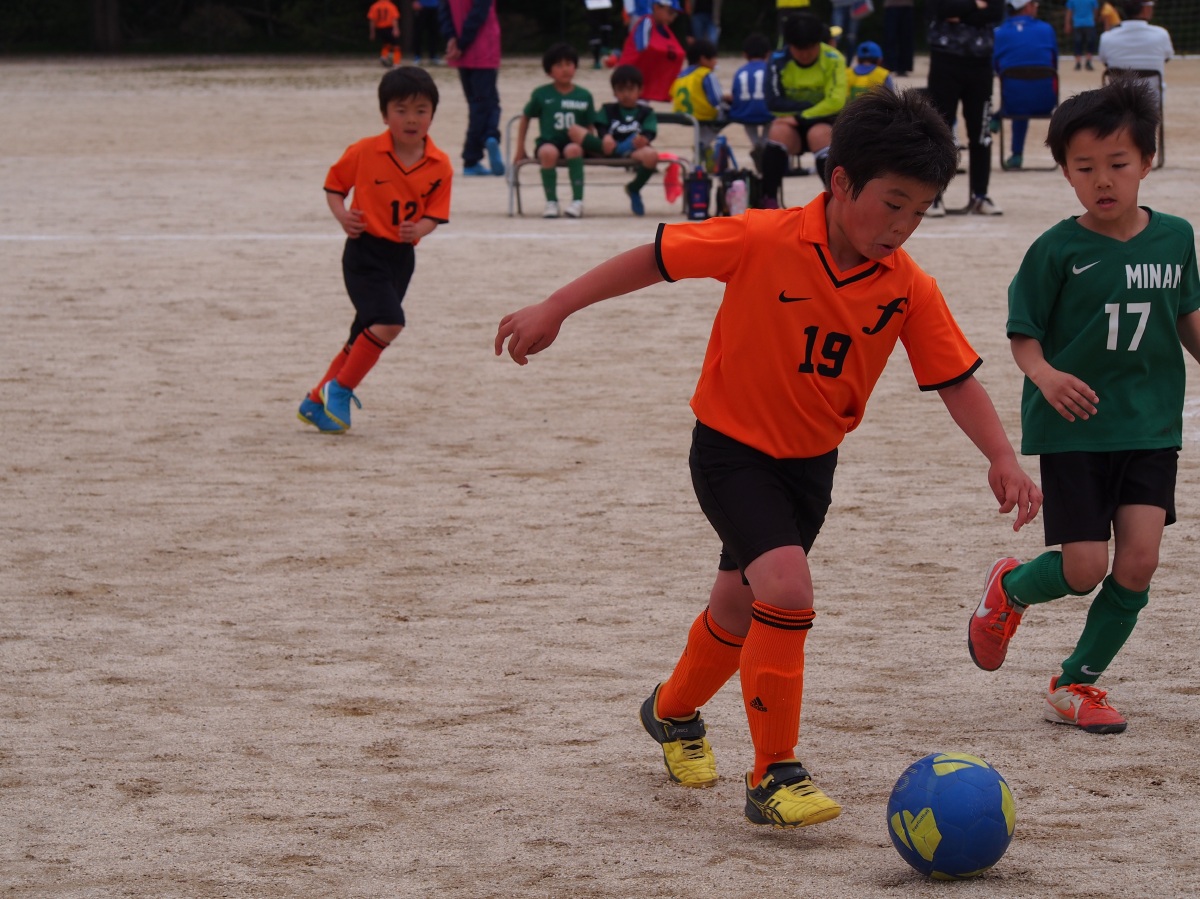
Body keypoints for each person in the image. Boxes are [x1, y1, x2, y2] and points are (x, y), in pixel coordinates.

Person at [495, 87, 1041, 828]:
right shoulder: (761, 236)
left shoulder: (908, 286)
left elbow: (954, 379)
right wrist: (556, 306)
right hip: (731, 452)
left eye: (919, 211)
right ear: (840, 181)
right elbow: (655, 258)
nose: (902, 226)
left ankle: (671, 711)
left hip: (811, 466)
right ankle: (774, 773)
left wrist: (1001, 455)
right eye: (892, 204)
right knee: (785, 587)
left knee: (737, 604)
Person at [970, 78, 1200, 734]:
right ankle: (1012, 587)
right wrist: (1044, 375)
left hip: (1150, 424)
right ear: (1066, 171)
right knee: (1084, 568)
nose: (1103, 180)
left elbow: (1187, 316)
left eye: (1118, 164)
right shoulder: (1056, 249)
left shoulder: (1176, 238)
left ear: (1147, 162)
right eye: (1084, 167)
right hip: (1074, 427)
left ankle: (1075, 683)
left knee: (1139, 561)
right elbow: (1023, 333)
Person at [298, 68, 452, 434]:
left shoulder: (440, 164)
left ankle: (315, 401)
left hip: (402, 258)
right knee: (389, 322)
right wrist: (343, 216)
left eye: (421, 110)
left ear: (432, 114)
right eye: (401, 110)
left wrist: (420, 229)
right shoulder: (365, 151)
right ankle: (341, 388)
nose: (411, 119)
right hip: (364, 253)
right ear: (384, 115)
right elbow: (334, 187)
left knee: (364, 334)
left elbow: (436, 213)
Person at [925, 0, 1004, 216]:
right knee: (938, 131)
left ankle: (980, 195)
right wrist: (976, 5)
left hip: (980, 62)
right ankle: (933, 197)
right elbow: (941, 9)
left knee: (982, 134)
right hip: (944, 60)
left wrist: (961, 13)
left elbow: (996, 12)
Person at [759, 13, 847, 207]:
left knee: (820, 135)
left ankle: (837, 202)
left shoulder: (834, 59)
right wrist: (806, 110)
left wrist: (801, 117)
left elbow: (836, 102)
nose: (805, 54)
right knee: (777, 132)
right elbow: (773, 102)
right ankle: (768, 200)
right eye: (799, 49)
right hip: (791, 123)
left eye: (810, 48)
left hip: (822, 121)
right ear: (789, 45)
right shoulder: (777, 60)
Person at [514, 43, 596, 219]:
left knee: (573, 150)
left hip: (574, 144)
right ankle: (551, 202)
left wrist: (591, 145)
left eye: (569, 64)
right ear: (549, 71)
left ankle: (577, 201)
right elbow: (525, 117)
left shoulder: (584, 95)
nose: (565, 69)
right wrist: (520, 147)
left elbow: (590, 126)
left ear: (575, 67)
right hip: (548, 141)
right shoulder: (541, 94)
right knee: (548, 152)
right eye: (558, 65)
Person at [570, 65, 660, 216]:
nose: (626, 94)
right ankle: (618, 149)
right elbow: (600, 126)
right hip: (606, 148)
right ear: (614, 92)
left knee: (651, 156)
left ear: (640, 90)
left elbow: (650, 131)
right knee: (575, 130)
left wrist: (644, 139)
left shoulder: (646, 112)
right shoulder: (608, 109)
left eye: (631, 89)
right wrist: (605, 136)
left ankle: (634, 188)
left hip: (633, 150)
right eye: (621, 90)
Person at [439, 0, 505, 177]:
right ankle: (480, 148)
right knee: (488, 104)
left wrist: (451, 38)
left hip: (461, 54)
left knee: (476, 105)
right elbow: (479, 13)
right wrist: (462, 43)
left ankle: (480, 148)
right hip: (483, 49)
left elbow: (444, 12)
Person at [992, 0, 1057, 169]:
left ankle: (1016, 153)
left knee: (1019, 94)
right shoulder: (1047, 29)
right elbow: (1053, 64)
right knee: (1029, 90)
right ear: (1027, 7)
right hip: (1046, 102)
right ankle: (998, 119)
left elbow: (995, 68)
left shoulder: (998, 33)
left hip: (1012, 104)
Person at [1098, 0, 1174, 105]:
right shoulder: (1161, 34)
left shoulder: (1107, 37)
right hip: (1151, 104)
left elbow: (1105, 61)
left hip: (1118, 104)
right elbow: (1167, 57)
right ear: (1145, 9)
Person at [671, 38, 728, 167]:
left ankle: (703, 148)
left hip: (682, 114)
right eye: (713, 58)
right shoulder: (706, 74)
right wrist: (728, 99)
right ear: (703, 59)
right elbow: (716, 99)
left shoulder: (681, 75)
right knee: (728, 111)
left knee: (705, 119)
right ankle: (703, 144)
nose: (716, 62)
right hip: (701, 113)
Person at [617, 0, 686, 102]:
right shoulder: (646, 22)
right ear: (656, 7)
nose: (673, 17)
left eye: (675, 14)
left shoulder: (663, 29)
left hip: (642, 83)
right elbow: (643, 50)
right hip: (628, 81)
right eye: (670, 12)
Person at [728, 32, 774, 167]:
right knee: (772, 117)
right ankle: (764, 143)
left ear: (745, 55)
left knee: (748, 116)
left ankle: (756, 143)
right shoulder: (770, 69)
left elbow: (735, 95)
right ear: (768, 53)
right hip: (767, 113)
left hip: (744, 114)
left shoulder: (740, 71)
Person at [1063, 0, 1100, 71]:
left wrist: (1067, 24)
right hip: (1087, 23)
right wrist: (1093, 19)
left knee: (1078, 43)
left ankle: (1080, 63)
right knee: (1088, 43)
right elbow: (1095, 11)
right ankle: (1085, 62)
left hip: (1080, 24)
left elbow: (1069, 12)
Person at [882, 0, 915, 76]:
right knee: (890, 37)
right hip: (891, 5)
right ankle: (889, 66)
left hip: (907, 5)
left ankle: (903, 67)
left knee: (906, 38)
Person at [367, 0, 402, 68]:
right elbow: (394, 19)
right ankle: (396, 63)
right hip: (389, 27)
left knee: (386, 43)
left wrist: (372, 32)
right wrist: (396, 29)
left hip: (380, 28)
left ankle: (384, 56)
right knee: (396, 46)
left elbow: (372, 20)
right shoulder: (391, 6)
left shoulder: (375, 6)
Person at [584, 0, 617, 69]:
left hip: (599, 4)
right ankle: (603, 51)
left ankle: (603, 50)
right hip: (596, 4)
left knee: (599, 28)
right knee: (599, 29)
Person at [412, 0, 442, 65]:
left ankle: (433, 56)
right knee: (418, 33)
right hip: (421, 6)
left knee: (434, 32)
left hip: (435, 6)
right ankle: (417, 56)